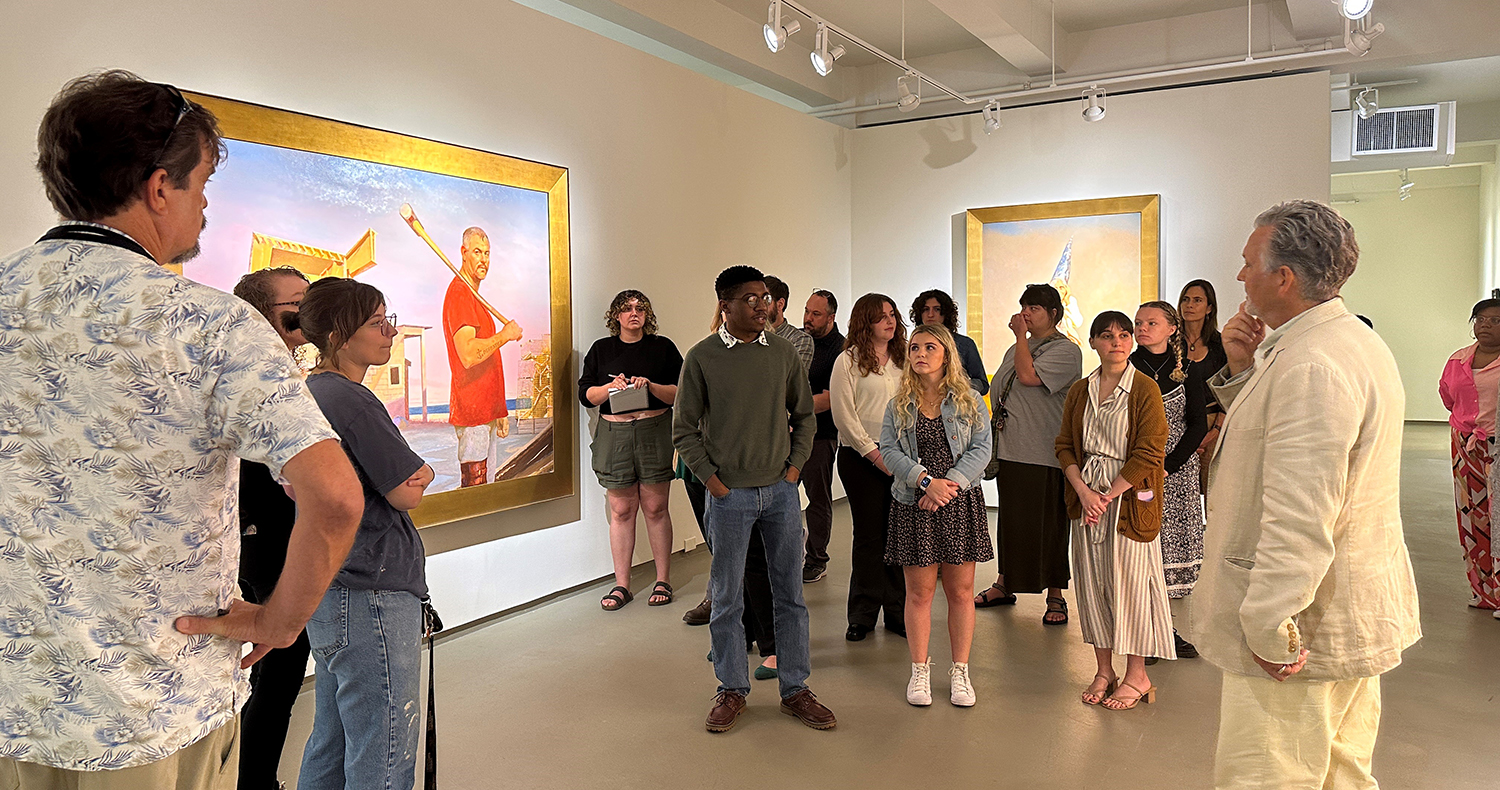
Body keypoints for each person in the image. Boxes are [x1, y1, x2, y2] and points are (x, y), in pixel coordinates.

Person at [0, 70, 362, 788]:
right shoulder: (210, 324)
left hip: (15, 702)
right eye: (200, 187)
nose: (203, 211)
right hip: (155, 709)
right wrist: (280, 625)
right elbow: (336, 496)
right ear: (159, 187)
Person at [1197, 201, 1421, 788]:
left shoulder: (1311, 364)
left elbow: (1302, 509)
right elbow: (1289, 445)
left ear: (1284, 277)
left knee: (1268, 776)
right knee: (1339, 775)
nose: (1241, 277)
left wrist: (1271, 626)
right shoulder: (1341, 345)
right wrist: (1245, 367)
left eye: (1249, 264)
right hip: (1343, 609)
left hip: (1302, 629)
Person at [288, 278, 436, 790]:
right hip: (370, 590)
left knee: (333, 739)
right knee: (385, 745)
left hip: (334, 586)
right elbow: (407, 489)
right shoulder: (348, 400)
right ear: (338, 335)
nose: (389, 331)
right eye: (377, 323)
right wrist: (418, 476)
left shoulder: (310, 393)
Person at [673, 266, 834, 733]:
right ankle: (731, 688)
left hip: (781, 494)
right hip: (728, 497)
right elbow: (684, 429)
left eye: (766, 297)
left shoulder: (782, 352)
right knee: (727, 596)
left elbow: (804, 417)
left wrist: (793, 471)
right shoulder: (701, 358)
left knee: (791, 595)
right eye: (751, 298)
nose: (764, 305)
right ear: (725, 304)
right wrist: (713, 482)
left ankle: (795, 688)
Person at [1056, 311, 1174, 711]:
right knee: (1093, 585)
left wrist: (1107, 496)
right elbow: (1065, 446)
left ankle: (1137, 674)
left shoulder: (1144, 389)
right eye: (1107, 336)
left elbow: (1150, 451)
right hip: (1086, 495)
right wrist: (1084, 492)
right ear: (1093, 342)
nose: (1118, 342)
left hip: (1127, 498)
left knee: (1132, 585)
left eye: (1125, 335)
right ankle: (1104, 669)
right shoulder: (1080, 390)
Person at [231, 266, 315, 790]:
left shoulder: (286, 378)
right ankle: (254, 781)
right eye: (296, 310)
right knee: (277, 672)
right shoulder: (250, 379)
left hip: (274, 539)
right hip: (262, 545)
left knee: (276, 672)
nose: (307, 320)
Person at [879, 325, 993, 707]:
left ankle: (960, 671)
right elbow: (889, 451)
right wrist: (926, 482)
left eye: (930, 347)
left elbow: (981, 450)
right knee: (919, 594)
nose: (920, 353)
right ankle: (919, 671)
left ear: (946, 354)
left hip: (958, 503)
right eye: (914, 348)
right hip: (916, 504)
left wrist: (949, 485)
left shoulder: (970, 400)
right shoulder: (899, 403)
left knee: (960, 593)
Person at [976, 284, 1083, 627]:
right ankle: (1004, 584)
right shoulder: (1016, 347)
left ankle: (1056, 595)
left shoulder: (1067, 350)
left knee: (1050, 523)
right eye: (1024, 307)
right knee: (1010, 519)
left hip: (1046, 450)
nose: (1026, 313)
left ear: (1053, 314)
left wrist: (1021, 337)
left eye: (1034, 308)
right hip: (1012, 448)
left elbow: (1028, 376)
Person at [579, 290, 682, 610]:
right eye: (626, 309)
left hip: (653, 431)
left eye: (639, 308)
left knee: (655, 508)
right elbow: (586, 395)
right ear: (616, 316)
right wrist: (610, 387)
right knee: (621, 511)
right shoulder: (601, 350)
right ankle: (622, 584)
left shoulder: (662, 347)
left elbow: (679, 393)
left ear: (647, 314)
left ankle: (663, 579)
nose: (633, 313)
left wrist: (649, 386)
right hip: (615, 433)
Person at [1130, 301, 1207, 662]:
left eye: (1151, 322)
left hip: (1175, 475)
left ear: (1171, 328)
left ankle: (1166, 628)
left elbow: (1197, 425)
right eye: (1139, 323)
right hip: (1135, 472)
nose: (1143, 328)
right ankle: (1144, 630)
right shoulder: (1126, 369)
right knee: (1142, 548)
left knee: (1167, 553)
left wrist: (1169, 465)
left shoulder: (1187, 371)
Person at [832, 293, 908, 641]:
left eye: (892, 315)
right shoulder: (847, 361)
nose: (889, 322)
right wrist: (875, 455)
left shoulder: (906, 358)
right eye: (881, 317)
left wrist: (899, 458)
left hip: (903, 458)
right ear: (865, 322)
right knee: (868, 537)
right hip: (861, 459)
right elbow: (844, 417)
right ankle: (861, 616)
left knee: (899, 535)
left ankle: (897, 613)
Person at [442, 226, 523, 487]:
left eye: (487, 253)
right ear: (464, 253)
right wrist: (505, 335)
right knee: (475, 486)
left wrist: (500, 408)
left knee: (487, 485)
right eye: (477, 252)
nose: (484, 259)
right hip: (473, 412)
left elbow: (489, 364)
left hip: (486, 411)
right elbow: (467, 354)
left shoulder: (474, 296)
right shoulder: (459, 294)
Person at [1439, 298, 1500, 614]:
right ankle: (1483, 591)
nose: (1486, 325)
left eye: (1495, 321)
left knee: (1499, 518)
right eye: (1481, 319)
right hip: (1465, 448)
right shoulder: (1458, 360)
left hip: (1497, 447)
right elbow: (1449, 399)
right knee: (1472, 518)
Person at [801, 289, 844, 583]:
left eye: (815, 314)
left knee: (817, 498)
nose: (808, 319)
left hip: (821, 434)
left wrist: (792, 411)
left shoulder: (840, 350)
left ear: (831, 317)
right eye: (806, 311)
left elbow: (830, 398)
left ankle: (817, 558)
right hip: (792, 432)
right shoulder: (799, 344)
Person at [1178, 279, 1228, 492]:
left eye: (1197, 300)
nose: (1189, 305)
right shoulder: (1170, 343)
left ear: (1209, 308)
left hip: (1213, 424)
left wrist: (1215, 430)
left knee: (1214, 492)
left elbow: (1231, 389)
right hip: (1176, 423)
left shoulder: (1220, 345)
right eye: (1185, 300)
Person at [911, 288, 989, 394]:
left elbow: (982, 384)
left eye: (937, 309)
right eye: (925, 309)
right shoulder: (913, 345)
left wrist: (954, 385)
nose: (930, 314)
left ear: (945, 313)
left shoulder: (964, 344)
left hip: (957, 403)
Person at [765, 275, 815, 371]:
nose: (760, 307)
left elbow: (792, 380)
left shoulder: (800, 339)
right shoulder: (750, 335)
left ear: (780, 304)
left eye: (766, 301)